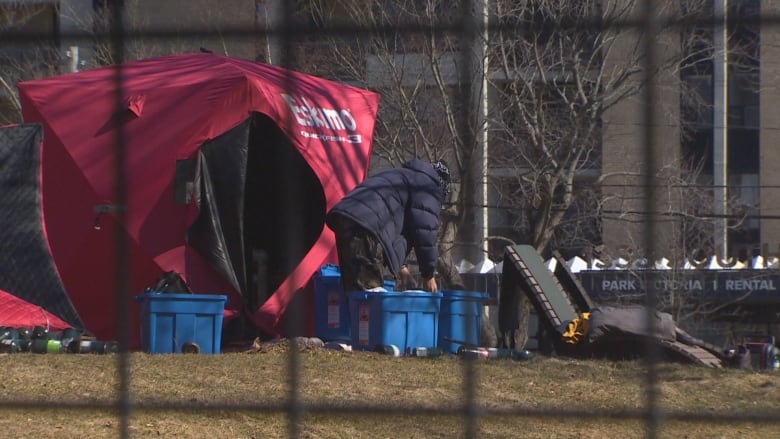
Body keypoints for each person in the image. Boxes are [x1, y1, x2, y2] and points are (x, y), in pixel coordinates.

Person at [326, 158, 452, 293]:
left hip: (346, 217)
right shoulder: (428, 187)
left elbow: (398, 231)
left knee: (355, 293)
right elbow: (425, 232)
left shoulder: (405, 176)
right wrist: (428, 275)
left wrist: (402, 269)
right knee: (370, 296)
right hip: (366, 225)